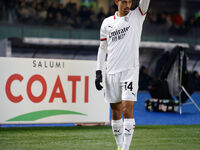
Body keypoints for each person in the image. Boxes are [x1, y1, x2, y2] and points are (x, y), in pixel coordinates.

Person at [95, 0, 150, 150]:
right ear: (117, 2)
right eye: (124, 2)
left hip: (129, 72)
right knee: (116, 112)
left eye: (130, 2)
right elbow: (102, 48)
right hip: (111, 72)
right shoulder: (106, 23)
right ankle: (119, 147)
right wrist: (99, 70)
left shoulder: (137, 15)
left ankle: (126, 148)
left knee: (127, 109)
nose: (128, 5)